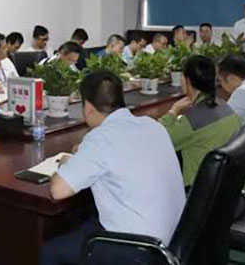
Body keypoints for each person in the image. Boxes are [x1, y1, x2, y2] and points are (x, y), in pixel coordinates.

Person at [40, 71, 185, 265]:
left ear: (88, 107)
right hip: (174, 239)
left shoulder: (102, 138)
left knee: (51, 252)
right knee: (86, 220)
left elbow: (58, 190)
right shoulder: (152, 125)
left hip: (139, 250)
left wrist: (67, 162)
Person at [158, 55, 242, 187]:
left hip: (200, 191)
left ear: (187, 80)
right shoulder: (225, 107)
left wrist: (173, 111)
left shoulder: (193, 119)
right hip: (230, 188)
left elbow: (157, 140)